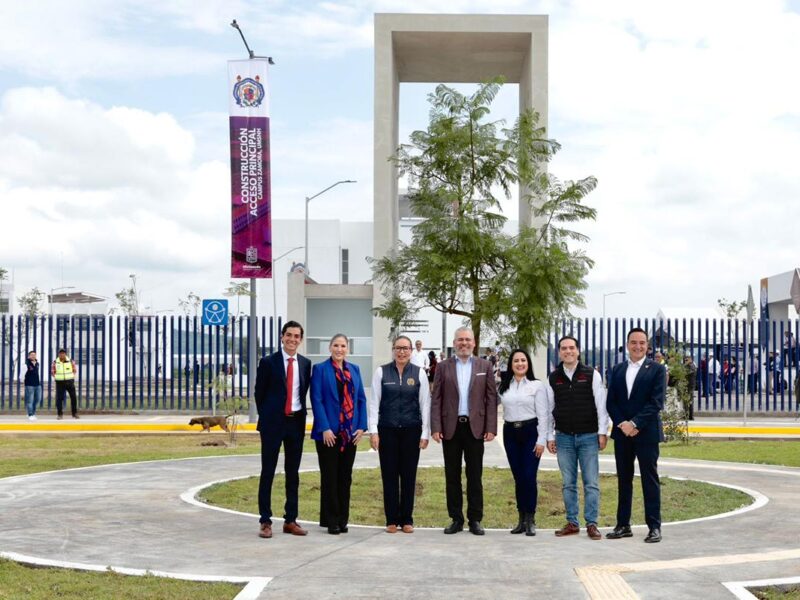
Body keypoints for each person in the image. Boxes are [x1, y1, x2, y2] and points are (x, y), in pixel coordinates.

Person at [430, 326, 498, 535]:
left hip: (475, 428)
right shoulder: (443, 367)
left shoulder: (484, 366)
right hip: (450, 428)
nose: (464, 343)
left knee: (474, 476)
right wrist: (436, 427)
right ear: (454, 343)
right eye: (460, 340)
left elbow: (491, 399)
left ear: (474, 343)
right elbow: (437, 399)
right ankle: (456, 519)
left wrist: (491, 427)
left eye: (467, 340)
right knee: (452, 476)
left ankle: (475, 519)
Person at [605, 328, 666, 543]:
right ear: (628, 344)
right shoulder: (618, 369)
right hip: (623, 434)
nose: (638, 346)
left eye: (642, 343)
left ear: (647, 346)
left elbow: (656, 402)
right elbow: (611, 401)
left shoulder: (657, 369)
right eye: (634, 342)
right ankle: (623, 524)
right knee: (624, 480)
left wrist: (635, 423)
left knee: (650, 480)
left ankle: (654, 527)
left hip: (646, 433)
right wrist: (623, 424)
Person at [546, 336, 609, 541]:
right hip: (563, 438)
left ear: (578, 351)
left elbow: (601, 406)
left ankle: (592, 523)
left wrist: (602, 433)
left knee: (591, 483)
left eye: (571, 348)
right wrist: (549, 436)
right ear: (559, 352)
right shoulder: (553, 377)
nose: (568, 351)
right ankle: (572, 522)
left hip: (588, 437)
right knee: (568, 483)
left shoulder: (592, 374)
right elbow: (548, 410)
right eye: (564, 348)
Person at [254, 320, 312, 539]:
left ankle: (290, 520)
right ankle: (265, 521)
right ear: (282, 336)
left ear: (301, 340)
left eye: (297, 336)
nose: (292, 339)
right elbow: (259, 393)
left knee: (293, 473)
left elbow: (302, 391)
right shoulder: (268, 362)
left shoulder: (306, 364)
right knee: (268, 471)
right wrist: (270, 415)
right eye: (289, 335)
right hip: (272, 424)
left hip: (295, 423)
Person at [369, 335, 431, 534]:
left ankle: (407, 519)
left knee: (408, 476)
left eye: (405, 348)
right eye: (398, 348)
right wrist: (373, 431)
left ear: (411, 351)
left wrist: (425, 433)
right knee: (389, 475)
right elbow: (374, 403)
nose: (401, 352)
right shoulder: (382, 372)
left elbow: (425, 405)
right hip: (387, 430)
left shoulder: (419, 373)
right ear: (393, 350)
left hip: (412, 431)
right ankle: (391, 520)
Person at [310, 333, 367, 535]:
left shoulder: (355, 370)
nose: (339, 349)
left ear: (347, 349)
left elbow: (361, 399)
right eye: (336, 345)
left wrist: (362, 427)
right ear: (330, 347)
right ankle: (331, 520)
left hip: (350, 433)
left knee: (345, 478)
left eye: (343, 346)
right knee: (330, 477)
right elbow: (316, 400)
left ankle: (343, 519)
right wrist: (324, 428)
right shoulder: (320, 370)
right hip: (328, 434)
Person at [498, 348, 548, 536]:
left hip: (530, 433)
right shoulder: (504, 386)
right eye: (516, 361)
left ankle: (530, 518)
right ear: (511, 365)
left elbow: (543, 415)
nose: (520, 364)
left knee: (529, 476)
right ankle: (521, 519)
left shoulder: (536, 386)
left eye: (523, 361)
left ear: (528, 364)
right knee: (518, 477)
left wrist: (541, 439)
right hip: (510, 432)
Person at [51, 348, 79, 419]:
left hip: (69, 382)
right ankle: (60, 414)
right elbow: (52, 372)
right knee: (59, 399)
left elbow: (74, 370)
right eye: (60, 353)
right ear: (58, 354)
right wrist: (57, 377)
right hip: (60, 382)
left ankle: (74, 413)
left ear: (65, 354)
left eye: (63, 353)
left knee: (73, 398)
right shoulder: (55, 362)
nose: (62, 354)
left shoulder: (70, 361)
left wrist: (71, 377)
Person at [24, 351, 42, 421]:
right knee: (30, 400)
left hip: (37, 384)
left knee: (38, 399)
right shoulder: (26, 364)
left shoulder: (37, 363)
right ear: (29, 356)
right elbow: (22, 375)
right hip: (29, 385)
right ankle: (30, 414)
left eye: (34, 355)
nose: (33, 356)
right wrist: (25, 382)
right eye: (31, 355)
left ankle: (31, 412)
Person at [683, 356, 697, 420]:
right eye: (685, 360)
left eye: (687, 360)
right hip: (686, 385)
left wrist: (685, 364)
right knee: (686, 401)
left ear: (691, 360)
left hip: (690, 386)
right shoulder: (687, 366)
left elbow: (687, 372)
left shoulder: (692, 366)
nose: (686, 361)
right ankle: (686, 415)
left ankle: (690, 416)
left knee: (689, 401)